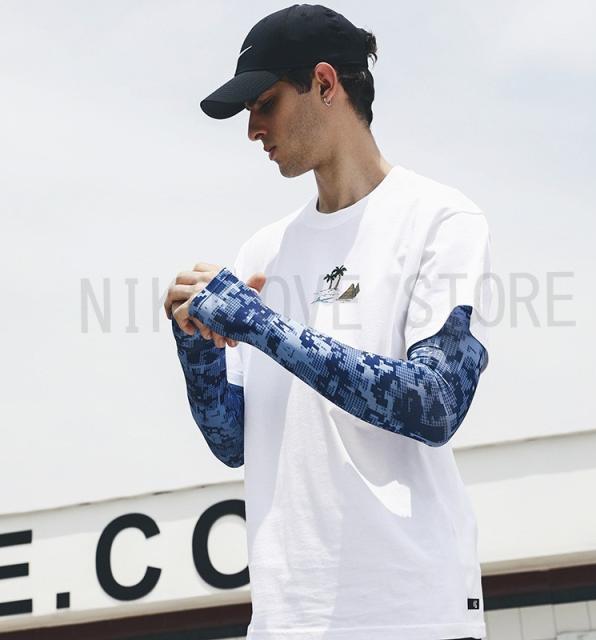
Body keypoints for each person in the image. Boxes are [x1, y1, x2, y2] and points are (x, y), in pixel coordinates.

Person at [163, 5, 492, 639]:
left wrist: (263, 327)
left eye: (265, 104)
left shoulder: (441, 220)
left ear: (324, 83)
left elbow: (435, 404)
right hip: (287, 618)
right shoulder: (264, 249)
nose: (252, 130)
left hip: (414, 612)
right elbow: (234, 442)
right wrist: (196, 347)